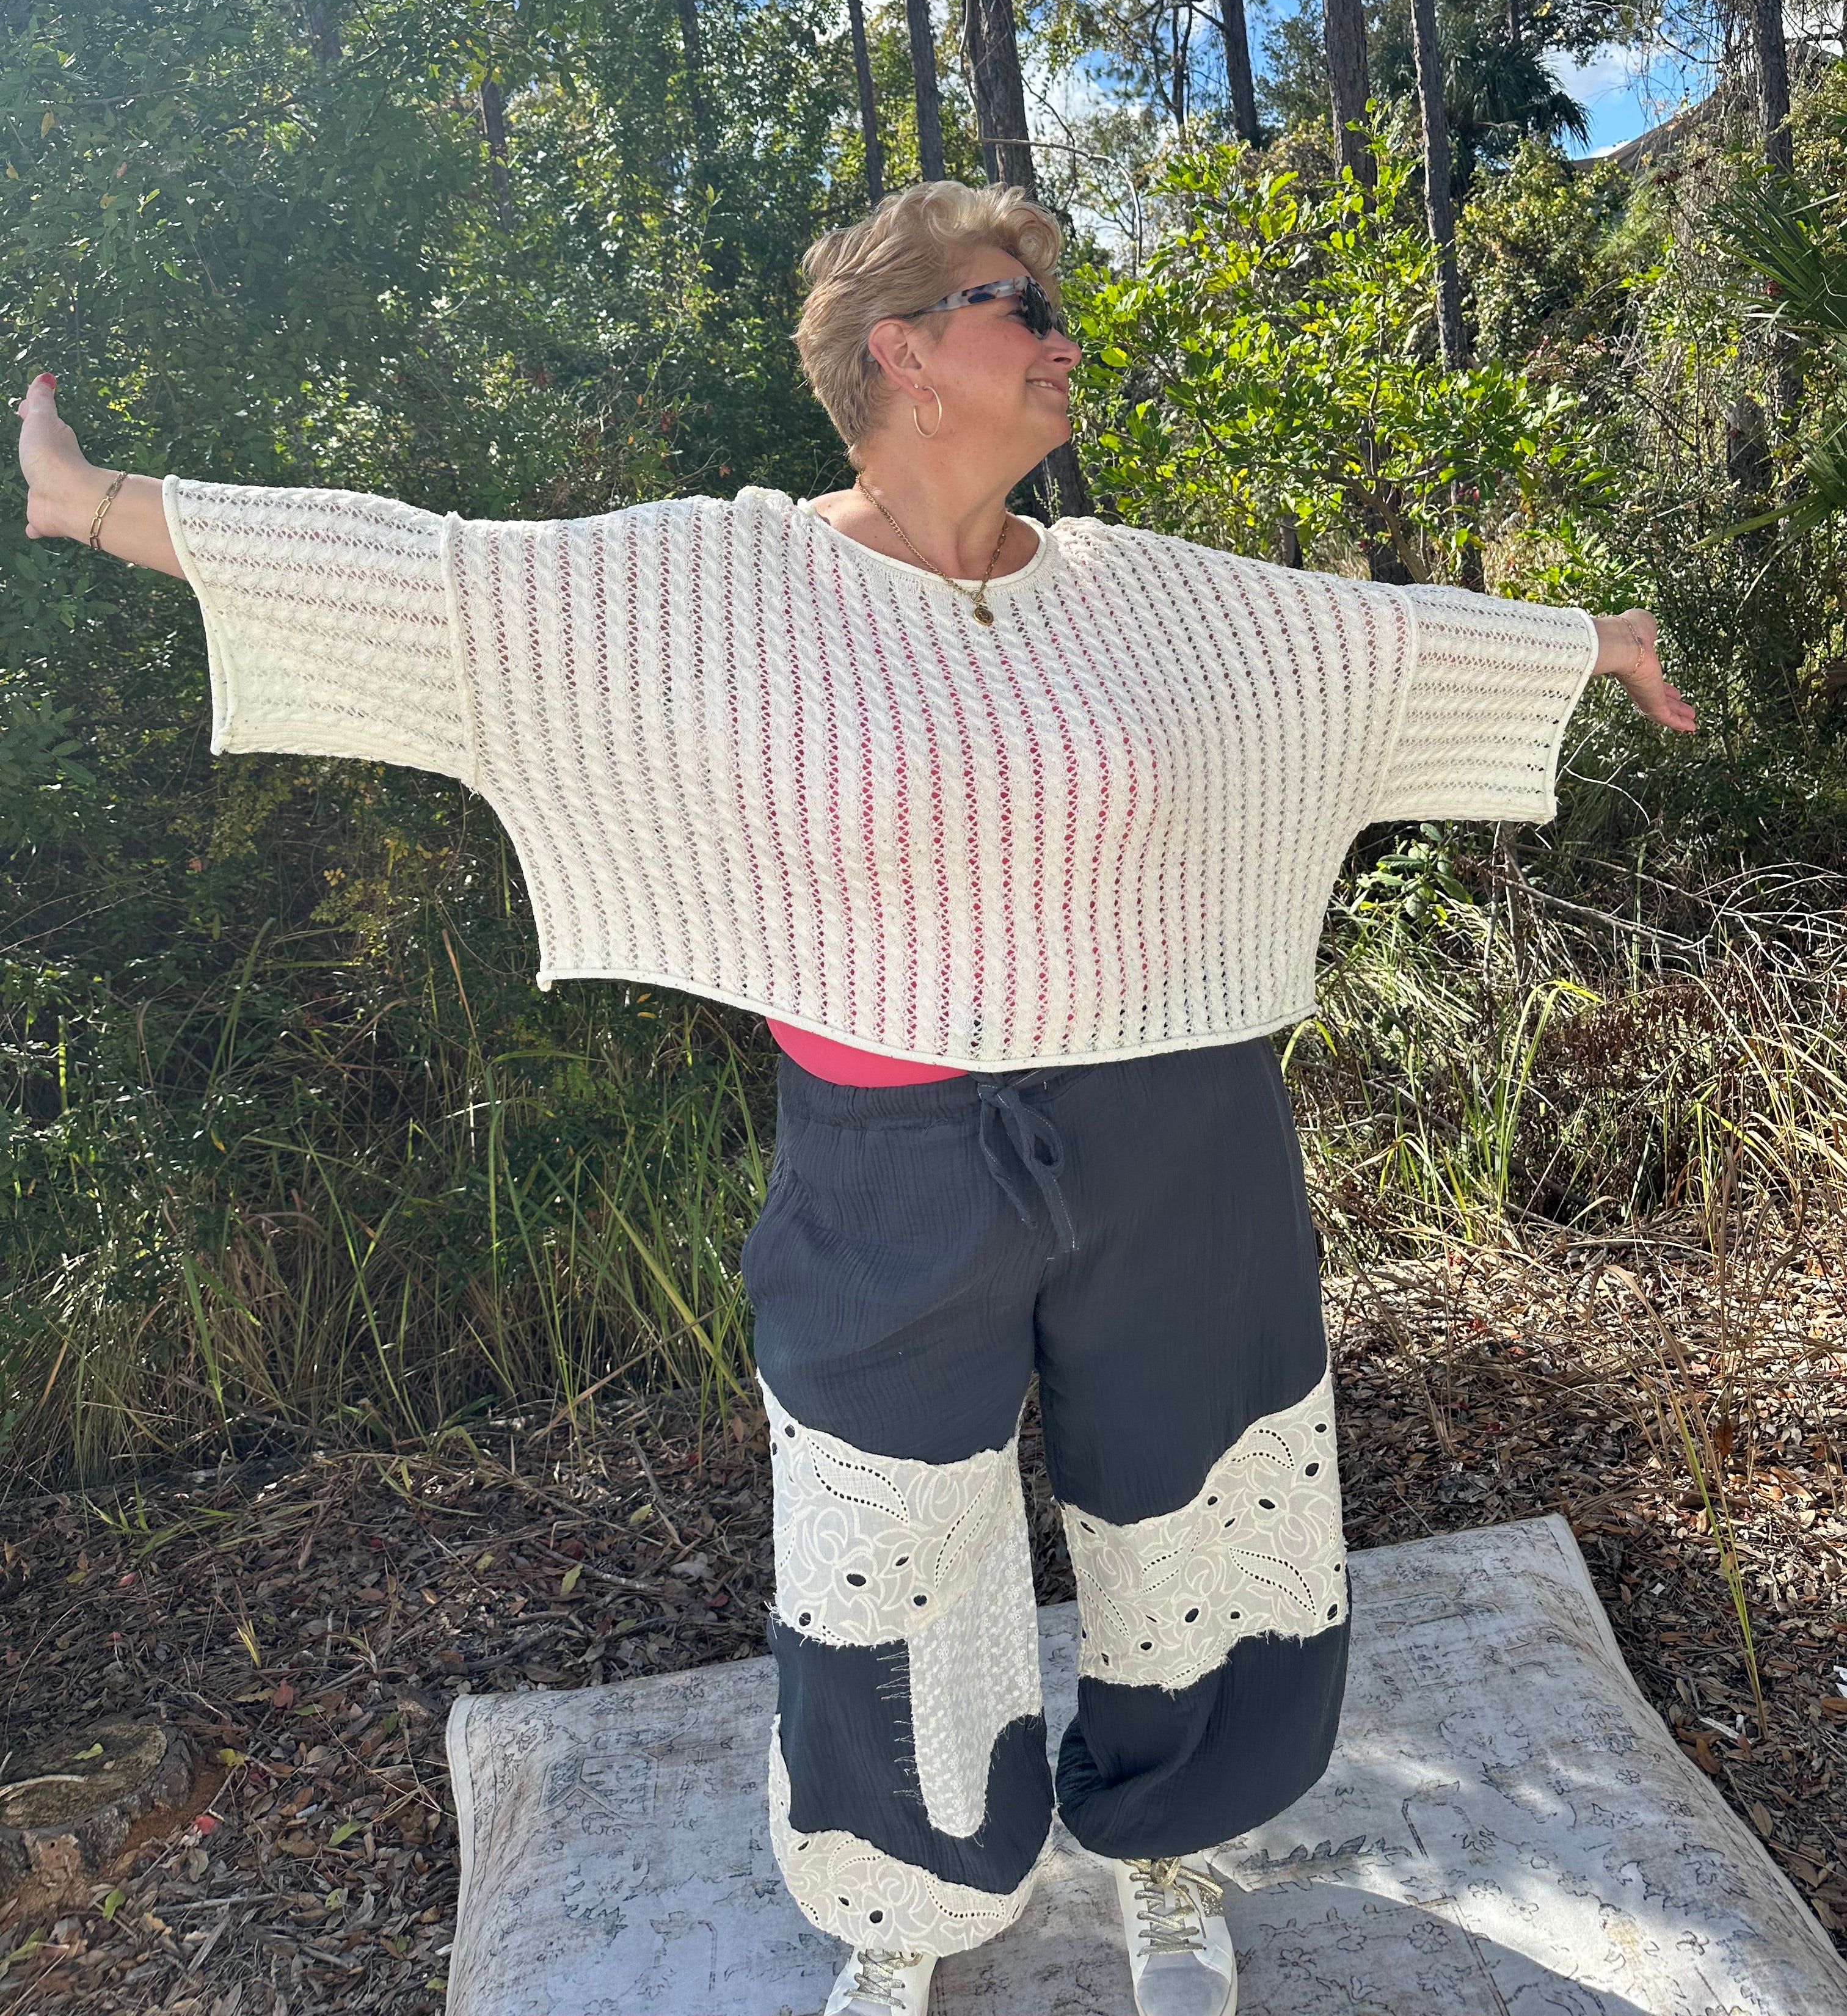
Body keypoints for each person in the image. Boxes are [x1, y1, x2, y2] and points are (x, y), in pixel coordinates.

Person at [15, 180, 1694, 2016]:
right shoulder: (719, 583)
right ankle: (909, 1899)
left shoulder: (1145, 594)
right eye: (1020, 306)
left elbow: (1366, 645)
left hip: (1178, 1129)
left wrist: (1583, 641)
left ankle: (1167, 1836)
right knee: (884, 1537)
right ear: (902, 351)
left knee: (1209, 1494)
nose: (1063, 340)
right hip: (890, 1156)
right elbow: (434, 584)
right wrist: (97, 504)